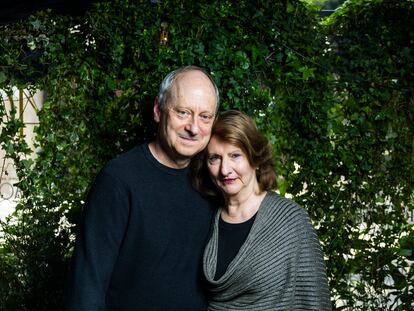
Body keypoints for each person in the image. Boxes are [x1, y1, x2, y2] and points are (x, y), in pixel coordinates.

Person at [65, 66, 220, 310]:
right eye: (183, 112)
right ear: (159, 111)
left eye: (205, 117)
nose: (194, 127)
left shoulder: (213, 179)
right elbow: (87, 285)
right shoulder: (118, 179)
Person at [192, 110, 332, 310]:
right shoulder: (205, 216)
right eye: (215, 158)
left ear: (255, 159)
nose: (225, 170)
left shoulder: (292, 221)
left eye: (235, 156)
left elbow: (315, 302)